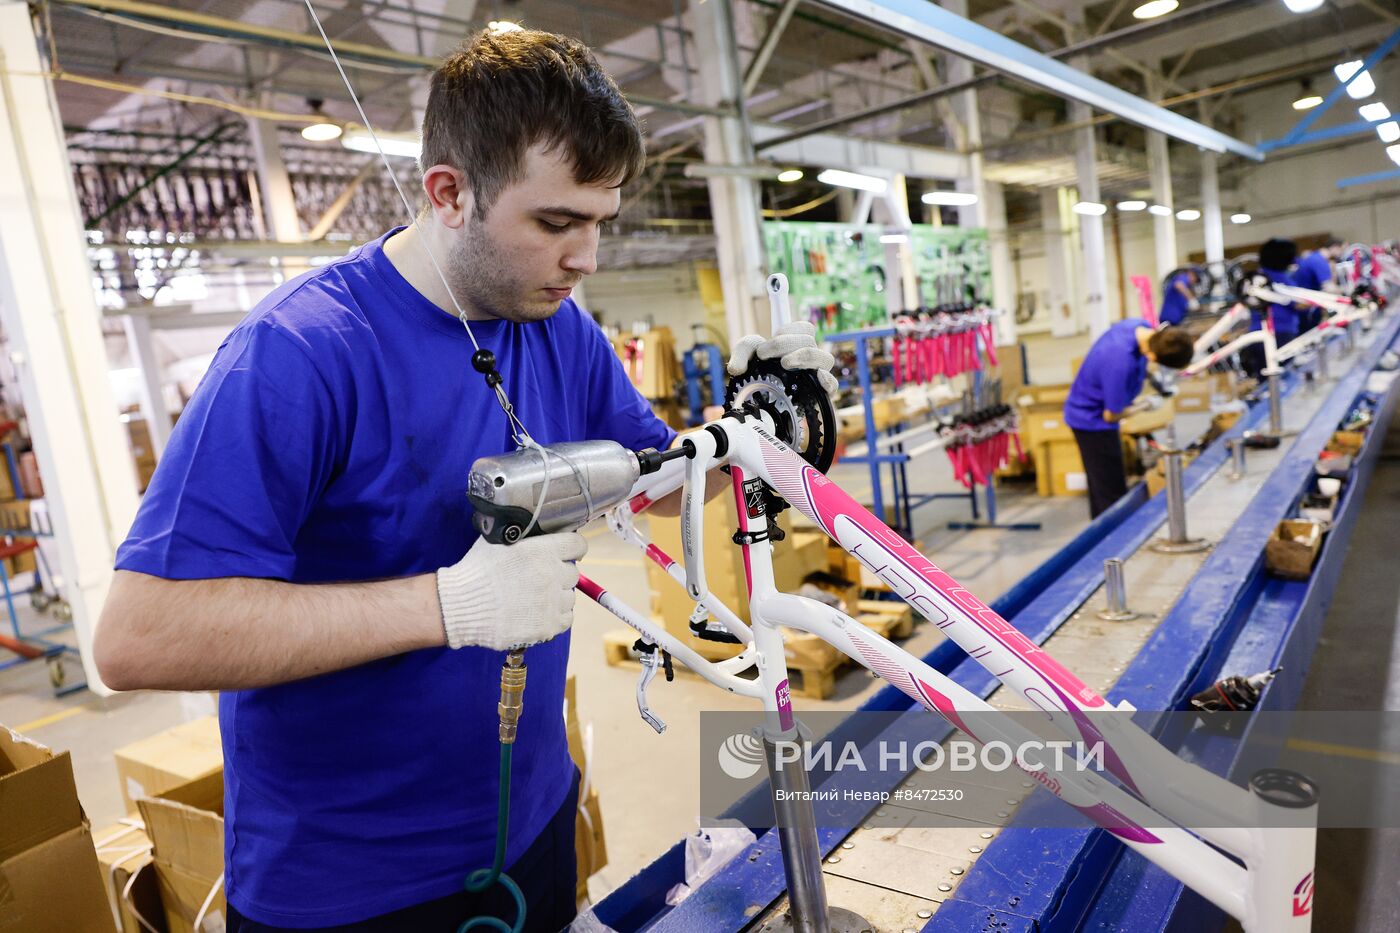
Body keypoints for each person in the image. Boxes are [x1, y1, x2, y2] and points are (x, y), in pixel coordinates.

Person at [93, 29, 836, 933]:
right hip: (346, 889)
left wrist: (761, 432)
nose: (586, 258)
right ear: (448, 192)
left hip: (534, 826)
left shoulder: (559, 327)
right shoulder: (299, 354)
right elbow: (139, 637)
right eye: (556, 224)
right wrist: (450, 605)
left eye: (599, 222)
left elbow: (656, 483)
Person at [1063, 320, 1195, 518]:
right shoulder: (1119, 363)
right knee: (1111, 494)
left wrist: (1155, 382)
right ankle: (1111, 534)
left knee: (1099, 485)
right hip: (1091, 423)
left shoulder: (1138, 327)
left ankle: (1101, 526)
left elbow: (1142, 361)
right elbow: (1111, 415)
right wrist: (1146, 405)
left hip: (1088, 412)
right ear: (1153, 356)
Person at [1292, 238, 1343, 332]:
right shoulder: (1319, 261)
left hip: (1304, 305)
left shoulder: (1314, 257)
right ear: (1334, 247)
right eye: (1341, 249)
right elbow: (1328, 287)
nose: (1342, 253)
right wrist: (1345, 292)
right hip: (1307, 307)